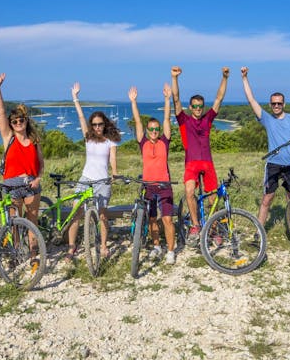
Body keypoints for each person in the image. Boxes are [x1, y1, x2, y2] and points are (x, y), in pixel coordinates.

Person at [241, 66, 290, 227]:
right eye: (273, 104)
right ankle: (259, 234)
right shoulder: (267, 119)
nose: (276, 106)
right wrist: (244, 78)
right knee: (267, 199)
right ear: (270, 105)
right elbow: (252, 101)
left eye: (279, 103)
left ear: (284, 104)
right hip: (273, 164)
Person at [171, 65, 230, 245]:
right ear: (190, 107)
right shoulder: (184, 119)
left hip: (207, 163)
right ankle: (196, 226)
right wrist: (174, 78)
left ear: (202, 107)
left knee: (213, 199)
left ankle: (213, 230)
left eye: (200, 106)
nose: (197, 109)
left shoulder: (207, 118)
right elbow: (176, 98)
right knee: (189, 192)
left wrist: (225, 77)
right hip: (191, 163)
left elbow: (219, 98)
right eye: (194, 106)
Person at [66, 82, 121, 261]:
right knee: (76, 213)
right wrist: (75, 98)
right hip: (85, 179)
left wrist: (115, 172)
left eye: (100, 124)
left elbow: (113, 158)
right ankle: (71, 248)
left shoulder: (110, 141)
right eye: (95, 124)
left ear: (104, 125)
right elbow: (81, 117)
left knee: (103, 216)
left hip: (102, 181)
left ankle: (103, 246)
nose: (97, 127)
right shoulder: (88, 138)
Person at [0, 73, 44, 264]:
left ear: (26, 120)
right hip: (12, 184)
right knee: (14, 221)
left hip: (31, 183)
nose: (18, 123)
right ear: (11, 124)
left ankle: (33, 254)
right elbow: (0, 111)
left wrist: (38, 177)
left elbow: (41, 164)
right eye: (14, 121)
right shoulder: (9, 137)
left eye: (21, 120)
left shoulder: (34, 140)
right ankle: (16, 251)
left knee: (32, 221)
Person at [128, 83, 177, 265]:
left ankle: (170, 251)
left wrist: (167, 99)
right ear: (147, 131)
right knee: (152, 219)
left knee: (167, 220)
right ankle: (157, 246)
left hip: (164, 185)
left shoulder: (165, 141)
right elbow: (138, 121)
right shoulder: (143, 142)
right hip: (148, 186)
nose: (155, 131)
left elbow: (166, 119)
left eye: (157, 129)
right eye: (152, 129)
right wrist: (133, 102)